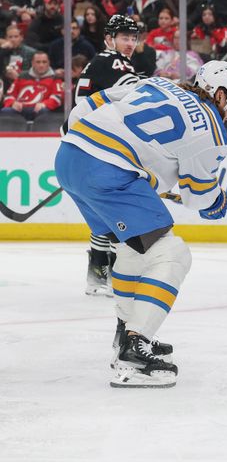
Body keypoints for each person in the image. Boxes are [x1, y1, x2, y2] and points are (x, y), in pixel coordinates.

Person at [55, 61, 227, 388]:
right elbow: (197, 197)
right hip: (111, 174)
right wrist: (216, 201)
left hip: (69, 158)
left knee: (132, 251)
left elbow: (87, 105)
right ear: (220, 92)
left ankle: (126, 331)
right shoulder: (213, 132)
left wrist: (80, 140)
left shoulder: (158, 83)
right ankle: (135, 345)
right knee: (173, 255)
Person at [73, 15, 143, 296]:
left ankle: (97, 275)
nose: (129, 43)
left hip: (86, 142)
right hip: (102, 145)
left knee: (101, 213)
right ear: (109, 39)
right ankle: (115, 274)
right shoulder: (115, 61)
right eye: (124, 37)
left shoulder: (98, 61)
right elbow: (137, 96)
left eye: (133, 38)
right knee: (115, 211)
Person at [1, 50, 63, 121]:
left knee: (44, 112)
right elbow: (9, 95)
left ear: (48, 63)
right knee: (5, 111)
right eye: (38, 62)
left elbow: (57, 98)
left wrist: (44, 104)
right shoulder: (22, 77)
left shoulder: (55, 78)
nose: (41, 65)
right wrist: (13, 103)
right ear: (32, 63)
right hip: (20, 109)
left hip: (40, 110)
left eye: (44, 62)